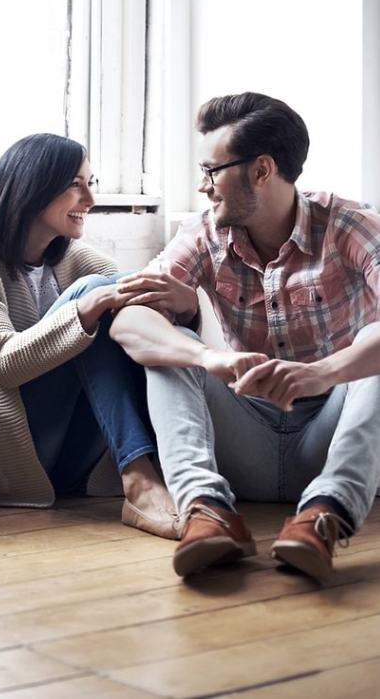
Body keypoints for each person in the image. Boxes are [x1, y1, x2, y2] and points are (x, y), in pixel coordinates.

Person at [110, 92, 380, 581]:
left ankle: (324, 515)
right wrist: (209, 356)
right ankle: (207, 510)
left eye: (212, 171)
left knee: (375, 345)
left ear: (261, 170)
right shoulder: (203, 234)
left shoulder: (349, 226)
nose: (202, 185)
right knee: (168, 349)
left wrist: (321, 373)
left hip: (333, 435)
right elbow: (127, 323)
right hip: (245, 435)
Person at [0, 132, 178, 538]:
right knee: (93, 298)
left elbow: (131, 290)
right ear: (33, 187)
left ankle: (170, 469)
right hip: (15, 449)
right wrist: (85, 309)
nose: (90, 200)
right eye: (75, 185)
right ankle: (141, 478)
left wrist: (179, 299)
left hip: (75, 457)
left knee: (117, 296)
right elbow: (4, 362)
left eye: (92, 183)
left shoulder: (71, 256)